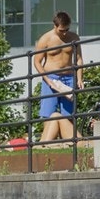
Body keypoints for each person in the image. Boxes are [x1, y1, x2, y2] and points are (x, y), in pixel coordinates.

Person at [33, 12, 84, 145]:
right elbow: (37, 61)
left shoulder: (74, 38)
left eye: (67, 29)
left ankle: (68, 142)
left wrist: (79, 78)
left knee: (69, 114)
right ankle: (47, 142)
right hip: (51, 77)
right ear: (55, 26)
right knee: (48, 114)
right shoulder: (45, 39)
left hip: (69, 77)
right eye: (62, 30)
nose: (64, 33)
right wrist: (47, 80)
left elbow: (78, 59)